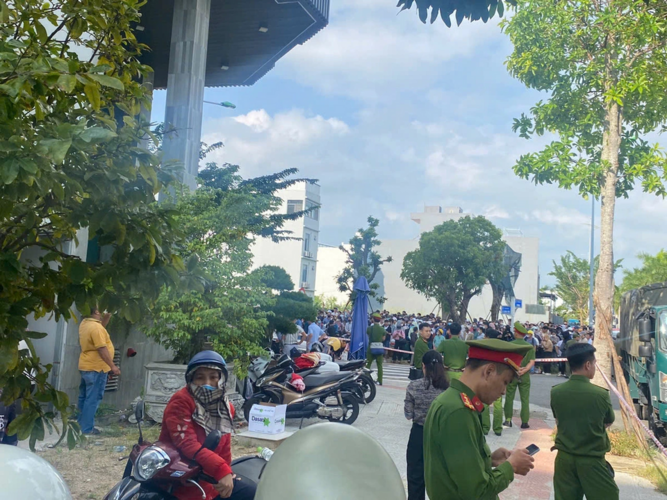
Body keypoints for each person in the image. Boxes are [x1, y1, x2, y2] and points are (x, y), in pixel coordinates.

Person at [424, 339, 535, 499]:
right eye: (505, 382)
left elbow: (454, 466)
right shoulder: (459, 411)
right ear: (488, 371)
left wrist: (487, 460)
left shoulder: (452, 401)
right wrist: (511, 466)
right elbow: (478, 492)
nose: (504, 391)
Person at [160, 350, 256, 500]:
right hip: (181, 479)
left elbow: (224, 447)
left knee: (253, 492)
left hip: (209, 477)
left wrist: (227, 473)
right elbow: (188, 444)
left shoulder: (226, 407)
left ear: (221, 379)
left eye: (213, 377)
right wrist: (221, 470)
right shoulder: (181, 401)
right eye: (200, 378)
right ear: (191, 379)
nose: (207, 383)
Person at [551, 343, 618, 500]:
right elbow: (608, 421)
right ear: (588, 365)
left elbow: (558, 419)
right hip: (592, 460)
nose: (594, 367)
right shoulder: (600, 394)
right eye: (594, 364)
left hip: (564, 459)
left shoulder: (556, 392)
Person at [404, 350, 448, 500]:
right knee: (441, 479)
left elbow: (408, 414)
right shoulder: (448, 389)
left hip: (419, 434)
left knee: (415, 477)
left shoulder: (413, 386)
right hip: (440, 436)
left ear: (423, 366)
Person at [77, 307, 120, 435]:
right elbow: (101, 348)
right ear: (96, 312)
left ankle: (80, 425)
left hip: (86, 366)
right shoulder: (96, 328)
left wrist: (106, 318)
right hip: (97, 368)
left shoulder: (85, 323)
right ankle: (87, 429)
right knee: (93, 399)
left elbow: (98, 331)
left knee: (84, 397)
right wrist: (113, 366)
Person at [503, 322, 536, 429]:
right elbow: (532, 361)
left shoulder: (510, 345)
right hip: (524, 376)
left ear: (516, 333)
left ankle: (508, 420)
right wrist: (524, 370)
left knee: (509, 397)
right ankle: (525, 422)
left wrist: (516, 369)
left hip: (512, 374)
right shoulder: (529, 346)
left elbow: (507, 360)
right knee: (525, 399)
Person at [366, 312, 386, 385]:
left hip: (371, 348)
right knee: (379, 365)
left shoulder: (369, 328)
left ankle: (366, 379)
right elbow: (383, 339)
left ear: (373, 319)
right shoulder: (382, 329)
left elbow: (369, 336)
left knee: (368, 364)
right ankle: (380, 380)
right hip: (379, 348)